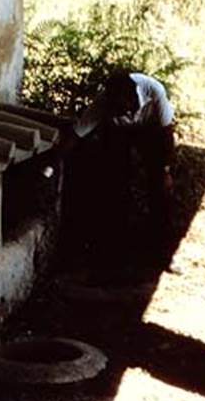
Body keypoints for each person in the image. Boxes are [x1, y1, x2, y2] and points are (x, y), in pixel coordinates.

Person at [60, 71, 176, 267]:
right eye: (113, 108)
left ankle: (161, 251)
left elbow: (166, 133)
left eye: (121, 108)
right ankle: (116, 247)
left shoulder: (155, 92)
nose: (117, 110)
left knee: (159, 189)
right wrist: (54, 161)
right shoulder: (104, 104)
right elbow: (77, 134)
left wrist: (165, 170)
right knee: (115, 184)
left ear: (132, 99)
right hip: (119, 134)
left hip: (151, 129)